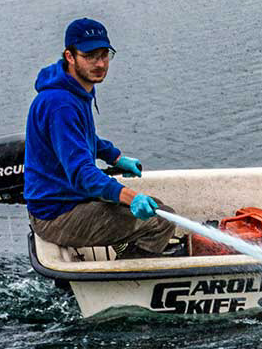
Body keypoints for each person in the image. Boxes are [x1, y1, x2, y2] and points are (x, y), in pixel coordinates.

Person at [23, 18, 183, 259]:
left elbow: (85, 137)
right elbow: (82, 174)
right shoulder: (60, 104)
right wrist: (132, 196)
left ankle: (125, 249)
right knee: (159, 221)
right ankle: (126, 278)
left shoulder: (76, 87)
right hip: (56, 214)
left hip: (68, 198)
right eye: (89, 56)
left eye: (104, 54)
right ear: (70, 56)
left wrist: (116, 157)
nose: (99, 64)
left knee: (154, 207)